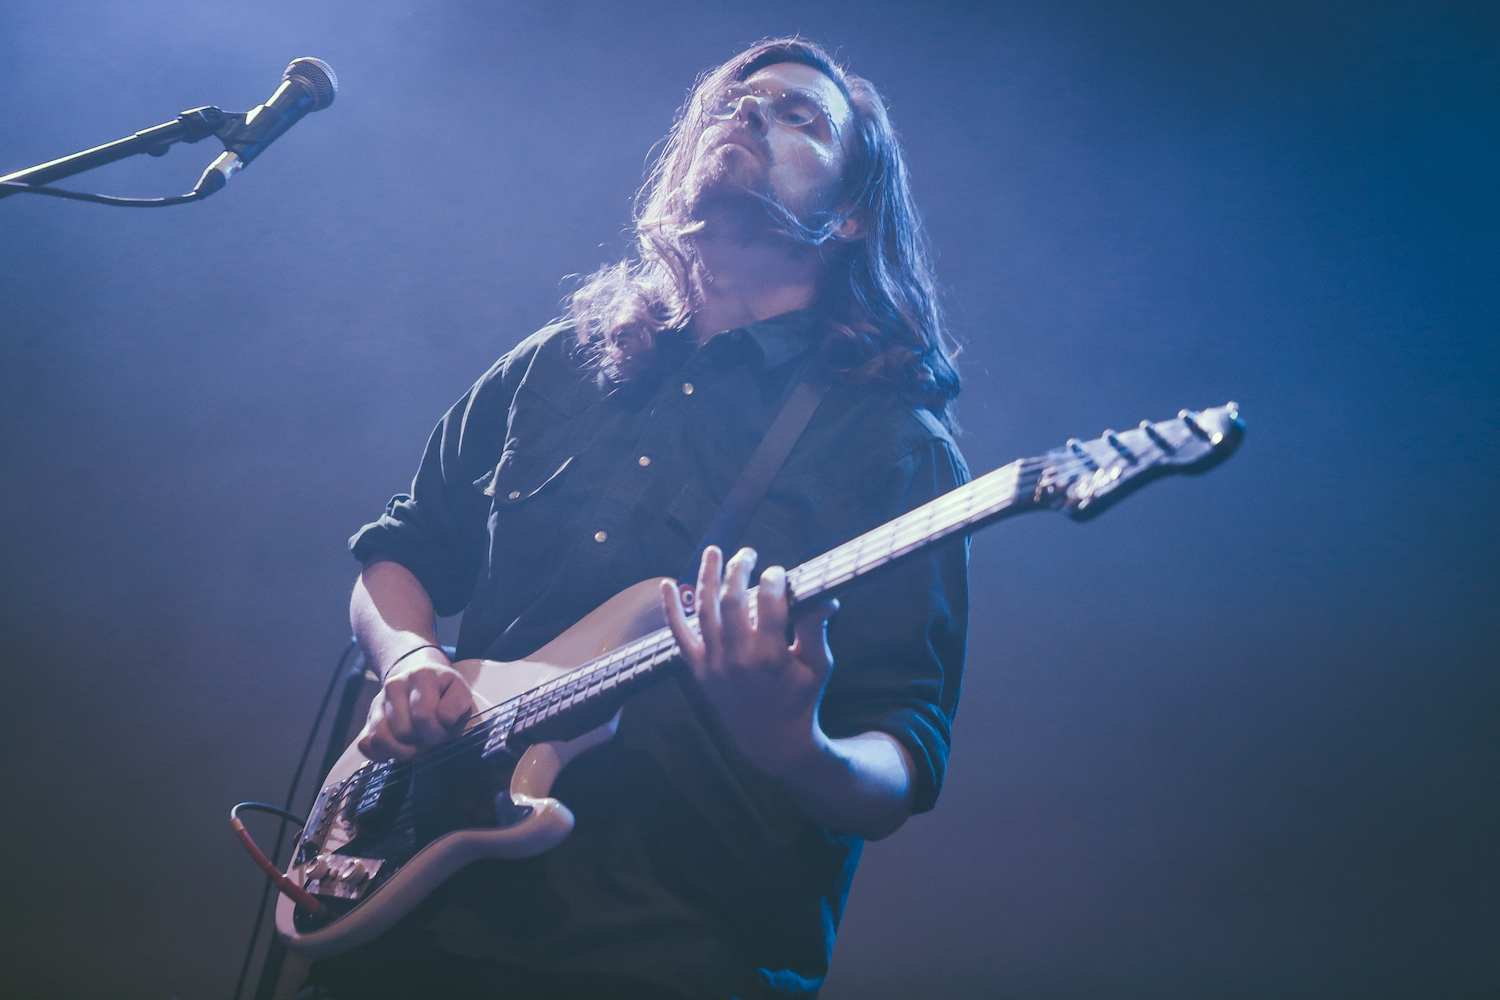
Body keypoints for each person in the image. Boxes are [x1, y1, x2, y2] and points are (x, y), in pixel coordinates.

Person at [311, 38, 969, 1000]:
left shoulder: (894, 447)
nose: (749, 115)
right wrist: (409, 660)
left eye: (800, 117)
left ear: (855, 212)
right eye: (734, 103)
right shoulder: (554, 364)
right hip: (418, 917)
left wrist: (798, 746)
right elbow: (400, 553)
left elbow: (902, 756)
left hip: (669, 951)